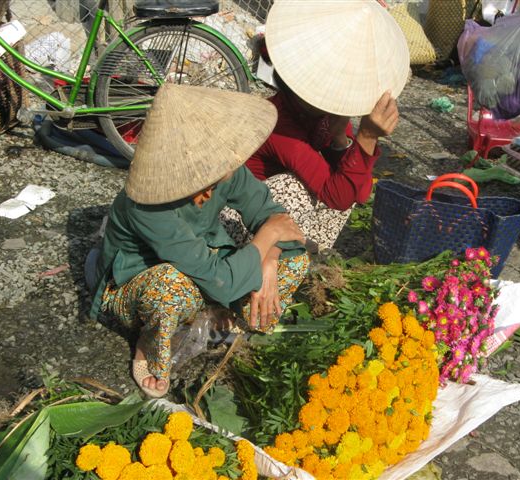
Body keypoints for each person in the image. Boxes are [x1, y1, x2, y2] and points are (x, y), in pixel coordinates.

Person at [89, 84, 309, 398]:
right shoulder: (148, 206)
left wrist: (271, 256)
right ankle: (147, 344)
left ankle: (222, 318)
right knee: (170, 286)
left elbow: (274, 217)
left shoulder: (225, 171)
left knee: (294, 260)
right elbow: (224, 277)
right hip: (137, 281)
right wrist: (268, 237)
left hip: (203, 263)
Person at [224, 0, 410, 252]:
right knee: (296, 188)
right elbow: (336, 196)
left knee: (346, 174)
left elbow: (359, 193)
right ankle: (277, 257)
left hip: (279, 219)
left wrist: (340, 139)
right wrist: (366, 137)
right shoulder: (277, 124)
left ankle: (303, 255)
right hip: (239, 221)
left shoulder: (327, 114)